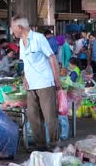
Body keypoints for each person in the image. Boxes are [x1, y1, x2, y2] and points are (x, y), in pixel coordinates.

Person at [12, 15, 61, 151]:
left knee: (50, 116)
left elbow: (51, 58)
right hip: (31, 85)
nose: (12, 31)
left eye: (13, 28)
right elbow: (25, 63)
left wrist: (57, 80)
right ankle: (40, 145)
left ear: (20, 27)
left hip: (45, 83)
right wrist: (25, 79)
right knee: (33, 117)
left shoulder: (39, 38)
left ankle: (54, 144)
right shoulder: (22, 42)